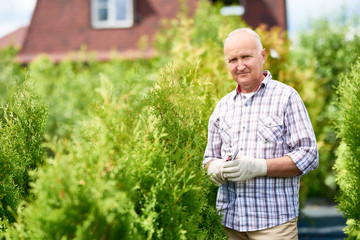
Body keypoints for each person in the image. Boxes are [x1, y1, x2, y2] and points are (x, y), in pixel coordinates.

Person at [203, 28, 318, 240]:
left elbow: (309, 155)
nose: (240, 65)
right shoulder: (222, 106)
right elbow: (208, 159)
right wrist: (216, 167)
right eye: (232, 59)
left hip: (273, 225)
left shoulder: (286, 97)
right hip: (229, 222)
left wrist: (259, 167)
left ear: (262, 56)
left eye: (246, 56)